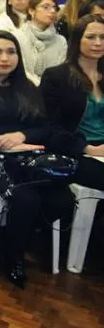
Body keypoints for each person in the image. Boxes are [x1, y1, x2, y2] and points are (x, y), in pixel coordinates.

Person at [0, 31, 79, 288]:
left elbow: (44, 129)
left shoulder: (28, 88)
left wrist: (20, 135)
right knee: (25, 197)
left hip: (23, 153)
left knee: (62, 198)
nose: (5, 58)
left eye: (11, 52)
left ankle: (12, 240)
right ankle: (13, 256)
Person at [40, 14, 104, 194]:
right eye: (91, 37)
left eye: (103, 37)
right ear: (77, 40)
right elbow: (51, 128)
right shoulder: (56, 77)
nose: (98, 43)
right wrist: (88, 149)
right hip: (76, 151)